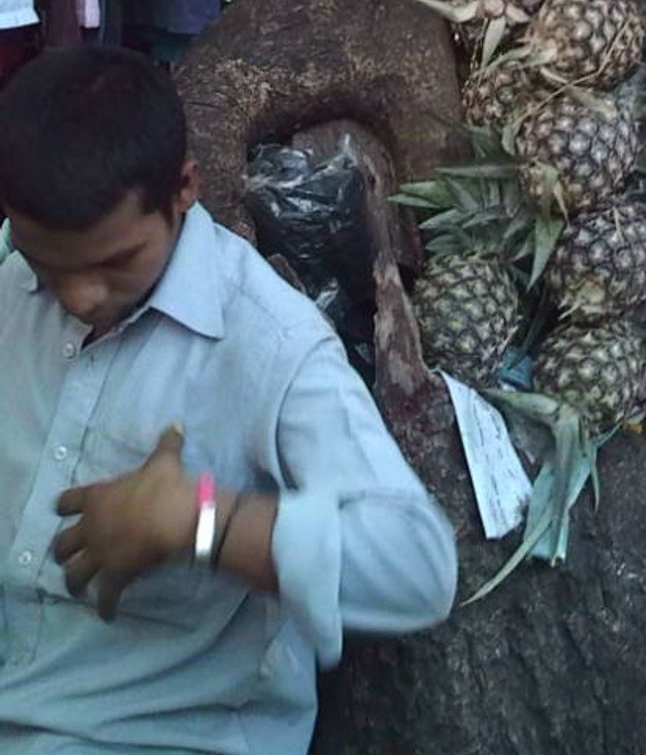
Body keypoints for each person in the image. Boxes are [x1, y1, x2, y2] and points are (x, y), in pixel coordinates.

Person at [0, 46, 457, 755]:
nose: (79, 297)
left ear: (185, 187)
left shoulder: (270, 344)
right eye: (47, 264)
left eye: (115, 262)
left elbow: (418, 568)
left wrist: (203, 523)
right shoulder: (11, 287)